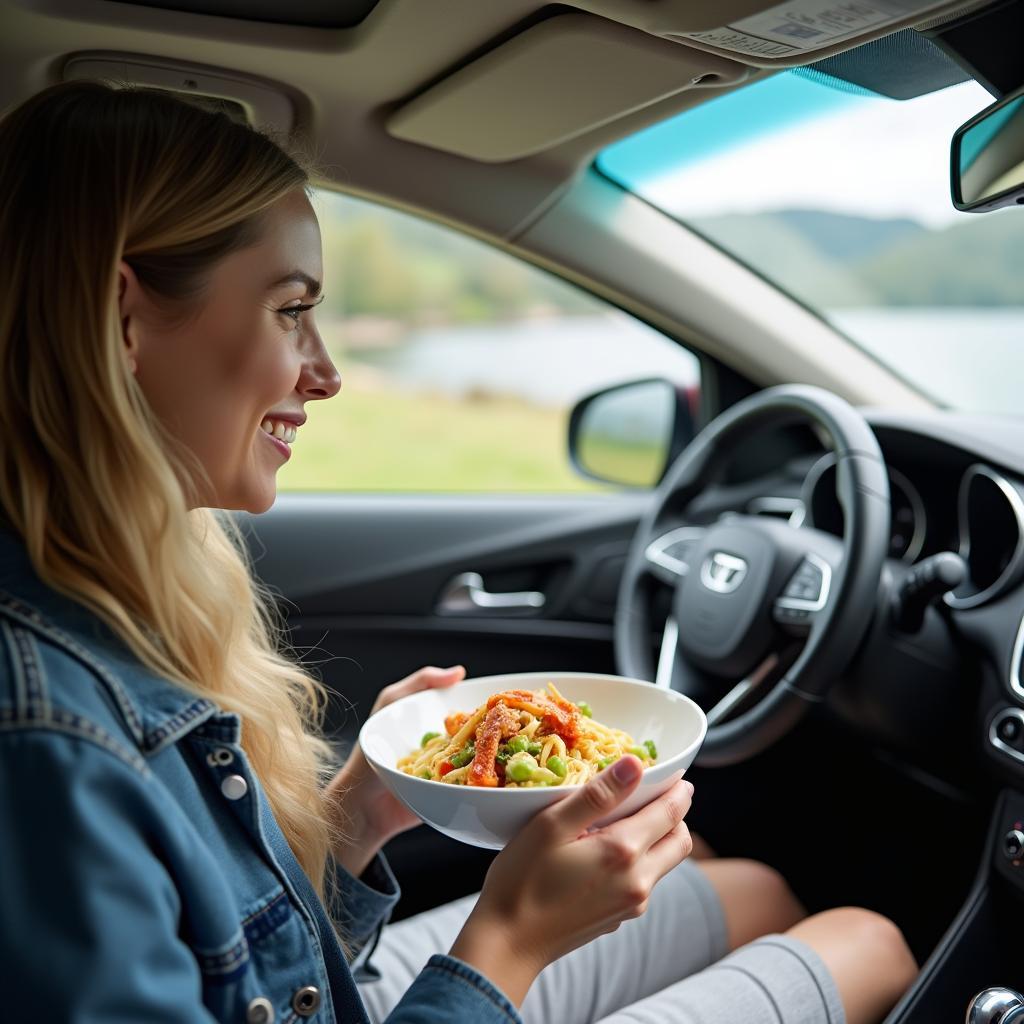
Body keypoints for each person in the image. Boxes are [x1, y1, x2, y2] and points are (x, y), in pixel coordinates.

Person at [0, 80, 918, 1024]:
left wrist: (354, 818)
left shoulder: (105, 595)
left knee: (748, 889)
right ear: (125, 320)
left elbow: (244, 965)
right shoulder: (45, 740)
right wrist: (508, 942)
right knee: (870, 943)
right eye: (289, 310)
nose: (327, 374)